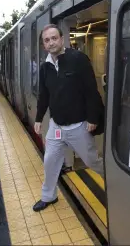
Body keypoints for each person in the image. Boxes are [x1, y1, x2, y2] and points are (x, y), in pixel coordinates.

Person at [33, 24, 104, 212]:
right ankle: (48, 196)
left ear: (62, 39)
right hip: (56, 126)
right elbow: (44, 95)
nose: (51, 43)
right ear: (43, 45)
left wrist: (92, 118)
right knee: (50, 161)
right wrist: (39, 118)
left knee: (92, 161)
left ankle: (116, 184)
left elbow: (91, 92)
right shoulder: (45, 67)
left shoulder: (78, 59)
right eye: (46, 40)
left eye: (54, 38)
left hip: (78, 125)